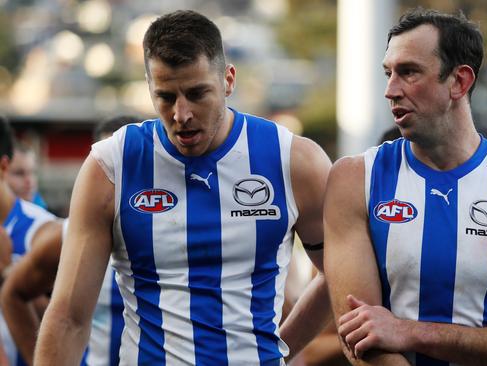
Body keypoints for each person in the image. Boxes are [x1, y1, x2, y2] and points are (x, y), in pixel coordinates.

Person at [35, 10, 332, 365]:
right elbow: (68, 317)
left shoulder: (294, 161)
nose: (181, 114)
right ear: (148, 87)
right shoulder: (111, 166)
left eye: (196, 93)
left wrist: (281, 349)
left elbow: (341, 276)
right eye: (165, 96)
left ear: (228, 80)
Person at [324, 8, 487, 365]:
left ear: (459, 81)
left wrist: (412, 331)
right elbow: (362, 338)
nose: (390, 90)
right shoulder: (354, 178)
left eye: (408, 72)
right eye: (388, 73)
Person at [1, 115, 140, 366]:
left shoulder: (180, 233)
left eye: (124, 161)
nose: (113, 172)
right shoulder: (65, 235)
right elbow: (15, 293)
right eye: (105, 162)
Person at [0, 116, 59, 366]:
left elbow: (71, 325)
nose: (28, 180)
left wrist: (8, 276)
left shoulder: (43, 231)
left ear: (2, 167)